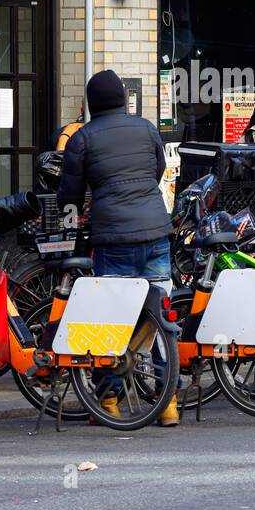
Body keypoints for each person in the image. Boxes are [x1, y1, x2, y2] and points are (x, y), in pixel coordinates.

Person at [56, 69, 177, 426]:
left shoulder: (83, 138)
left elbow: (70, 193)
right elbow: (156, 170)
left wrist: (75, 217)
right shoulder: (147, 128)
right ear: (123, 99)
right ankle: (167, 402)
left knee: (112, 321)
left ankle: (108, 401)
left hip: (113, 239)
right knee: (159, 320)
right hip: (156, 233)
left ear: (92, 103)